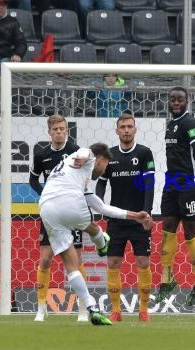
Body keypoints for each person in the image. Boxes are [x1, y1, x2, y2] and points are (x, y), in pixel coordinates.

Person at [39, 143, 152, 325]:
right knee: (92, 226)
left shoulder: (73, 175)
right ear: (100, 160)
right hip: (68, 202)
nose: (104, 169)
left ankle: (92, 307)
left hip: (46, 209)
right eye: (106, 165)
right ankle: (101, 243)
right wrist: (84, 157)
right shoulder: (87, 158)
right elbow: (87, 151)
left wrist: (134, 216)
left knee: (72, 266)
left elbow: (102, 207)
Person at [95, 114, 155, 322]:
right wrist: (99, 205)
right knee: (113, 262)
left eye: (130, 126)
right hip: (116, 220)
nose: (127, 130)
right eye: (123, 127)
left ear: (135, 129)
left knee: (143, 261)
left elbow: (149, 184)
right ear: (117, 130)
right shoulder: (110, 155)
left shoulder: (145, 153)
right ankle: (116, 311)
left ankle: (144, 310)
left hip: (139, 218)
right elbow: (101, 183)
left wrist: (147, 213)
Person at [154, 87, 195, 307]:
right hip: (172, 183)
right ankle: (167, 280)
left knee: (189, 232)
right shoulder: (171, 124)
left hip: (189, 183)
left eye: (180, 99)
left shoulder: (189, 123)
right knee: (167, 227)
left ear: (188, 101)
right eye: (173, 99)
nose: (176, 102)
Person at [30, 115, 89, 322]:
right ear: (49, 131)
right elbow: (33, 179)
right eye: (55, 129)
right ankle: (41, 308)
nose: (59, 132)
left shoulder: (75, 151)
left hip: (70, 211)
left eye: (62, 129)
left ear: (67, 131)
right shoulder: (41, 154)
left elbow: (85, 177)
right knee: (45, 259)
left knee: (76, 259)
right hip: (51, 214)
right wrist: (46, 195)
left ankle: (83, 308)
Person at [0, 0, 27, 79]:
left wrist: (18, 54)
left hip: (4, 57)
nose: (1, 7)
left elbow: (21, 42)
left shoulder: (12, 21)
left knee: (6, 64)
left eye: (4, 4)